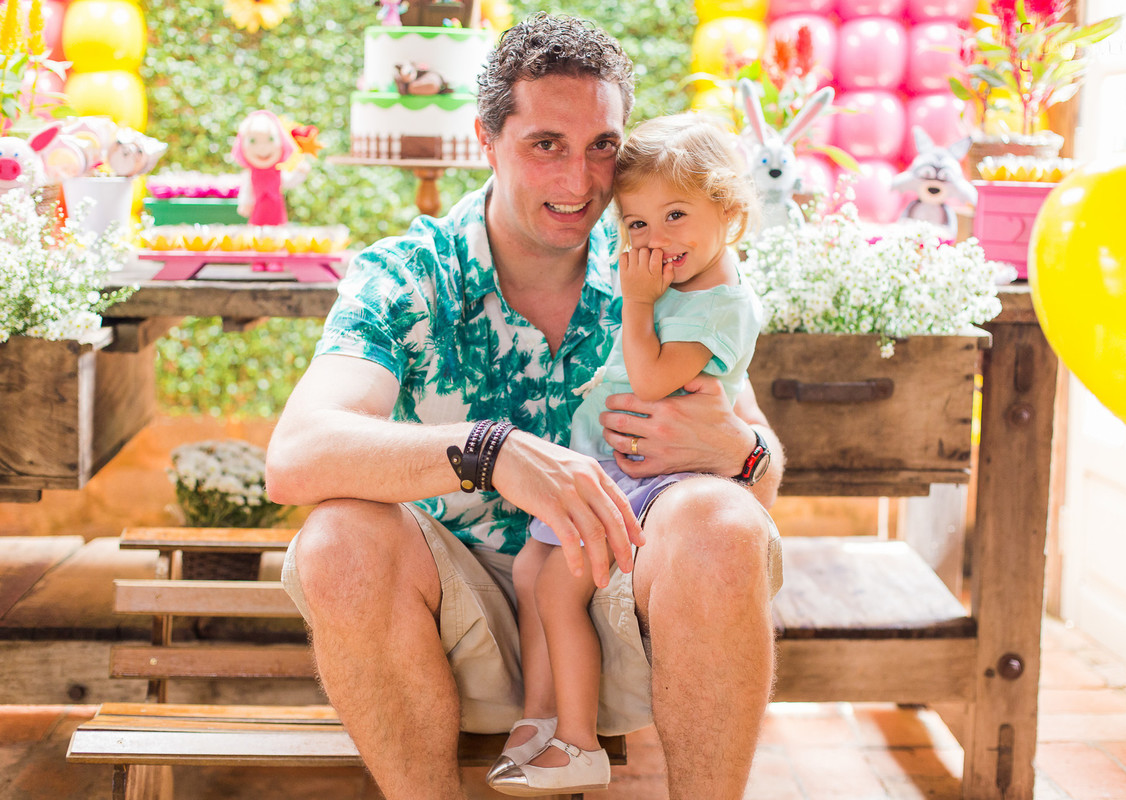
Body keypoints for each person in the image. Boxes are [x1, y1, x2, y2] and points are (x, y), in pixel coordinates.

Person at [265, 13, 784, 800]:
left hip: (618, 611)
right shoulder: (408, 276)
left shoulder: (661, 259)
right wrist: (490, 451)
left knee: (724, 521)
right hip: (443, 623)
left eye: (601, 147)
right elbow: (295, 455)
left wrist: (739, 451)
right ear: (487, 138)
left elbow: (761, 482)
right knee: (339, 537)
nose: (579, 183)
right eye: (546, 145)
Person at [487, 113, 765, 795]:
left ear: (728, 211)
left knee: (558, 588)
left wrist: (637, 304)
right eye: (637, 223)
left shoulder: (719, 305)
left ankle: (579, 742)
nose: (656, 239)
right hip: (607, 464)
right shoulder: (688, 283)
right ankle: (538, 718)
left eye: (676, 216)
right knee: (529, 568)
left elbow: (651, 378)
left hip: (649, 479)